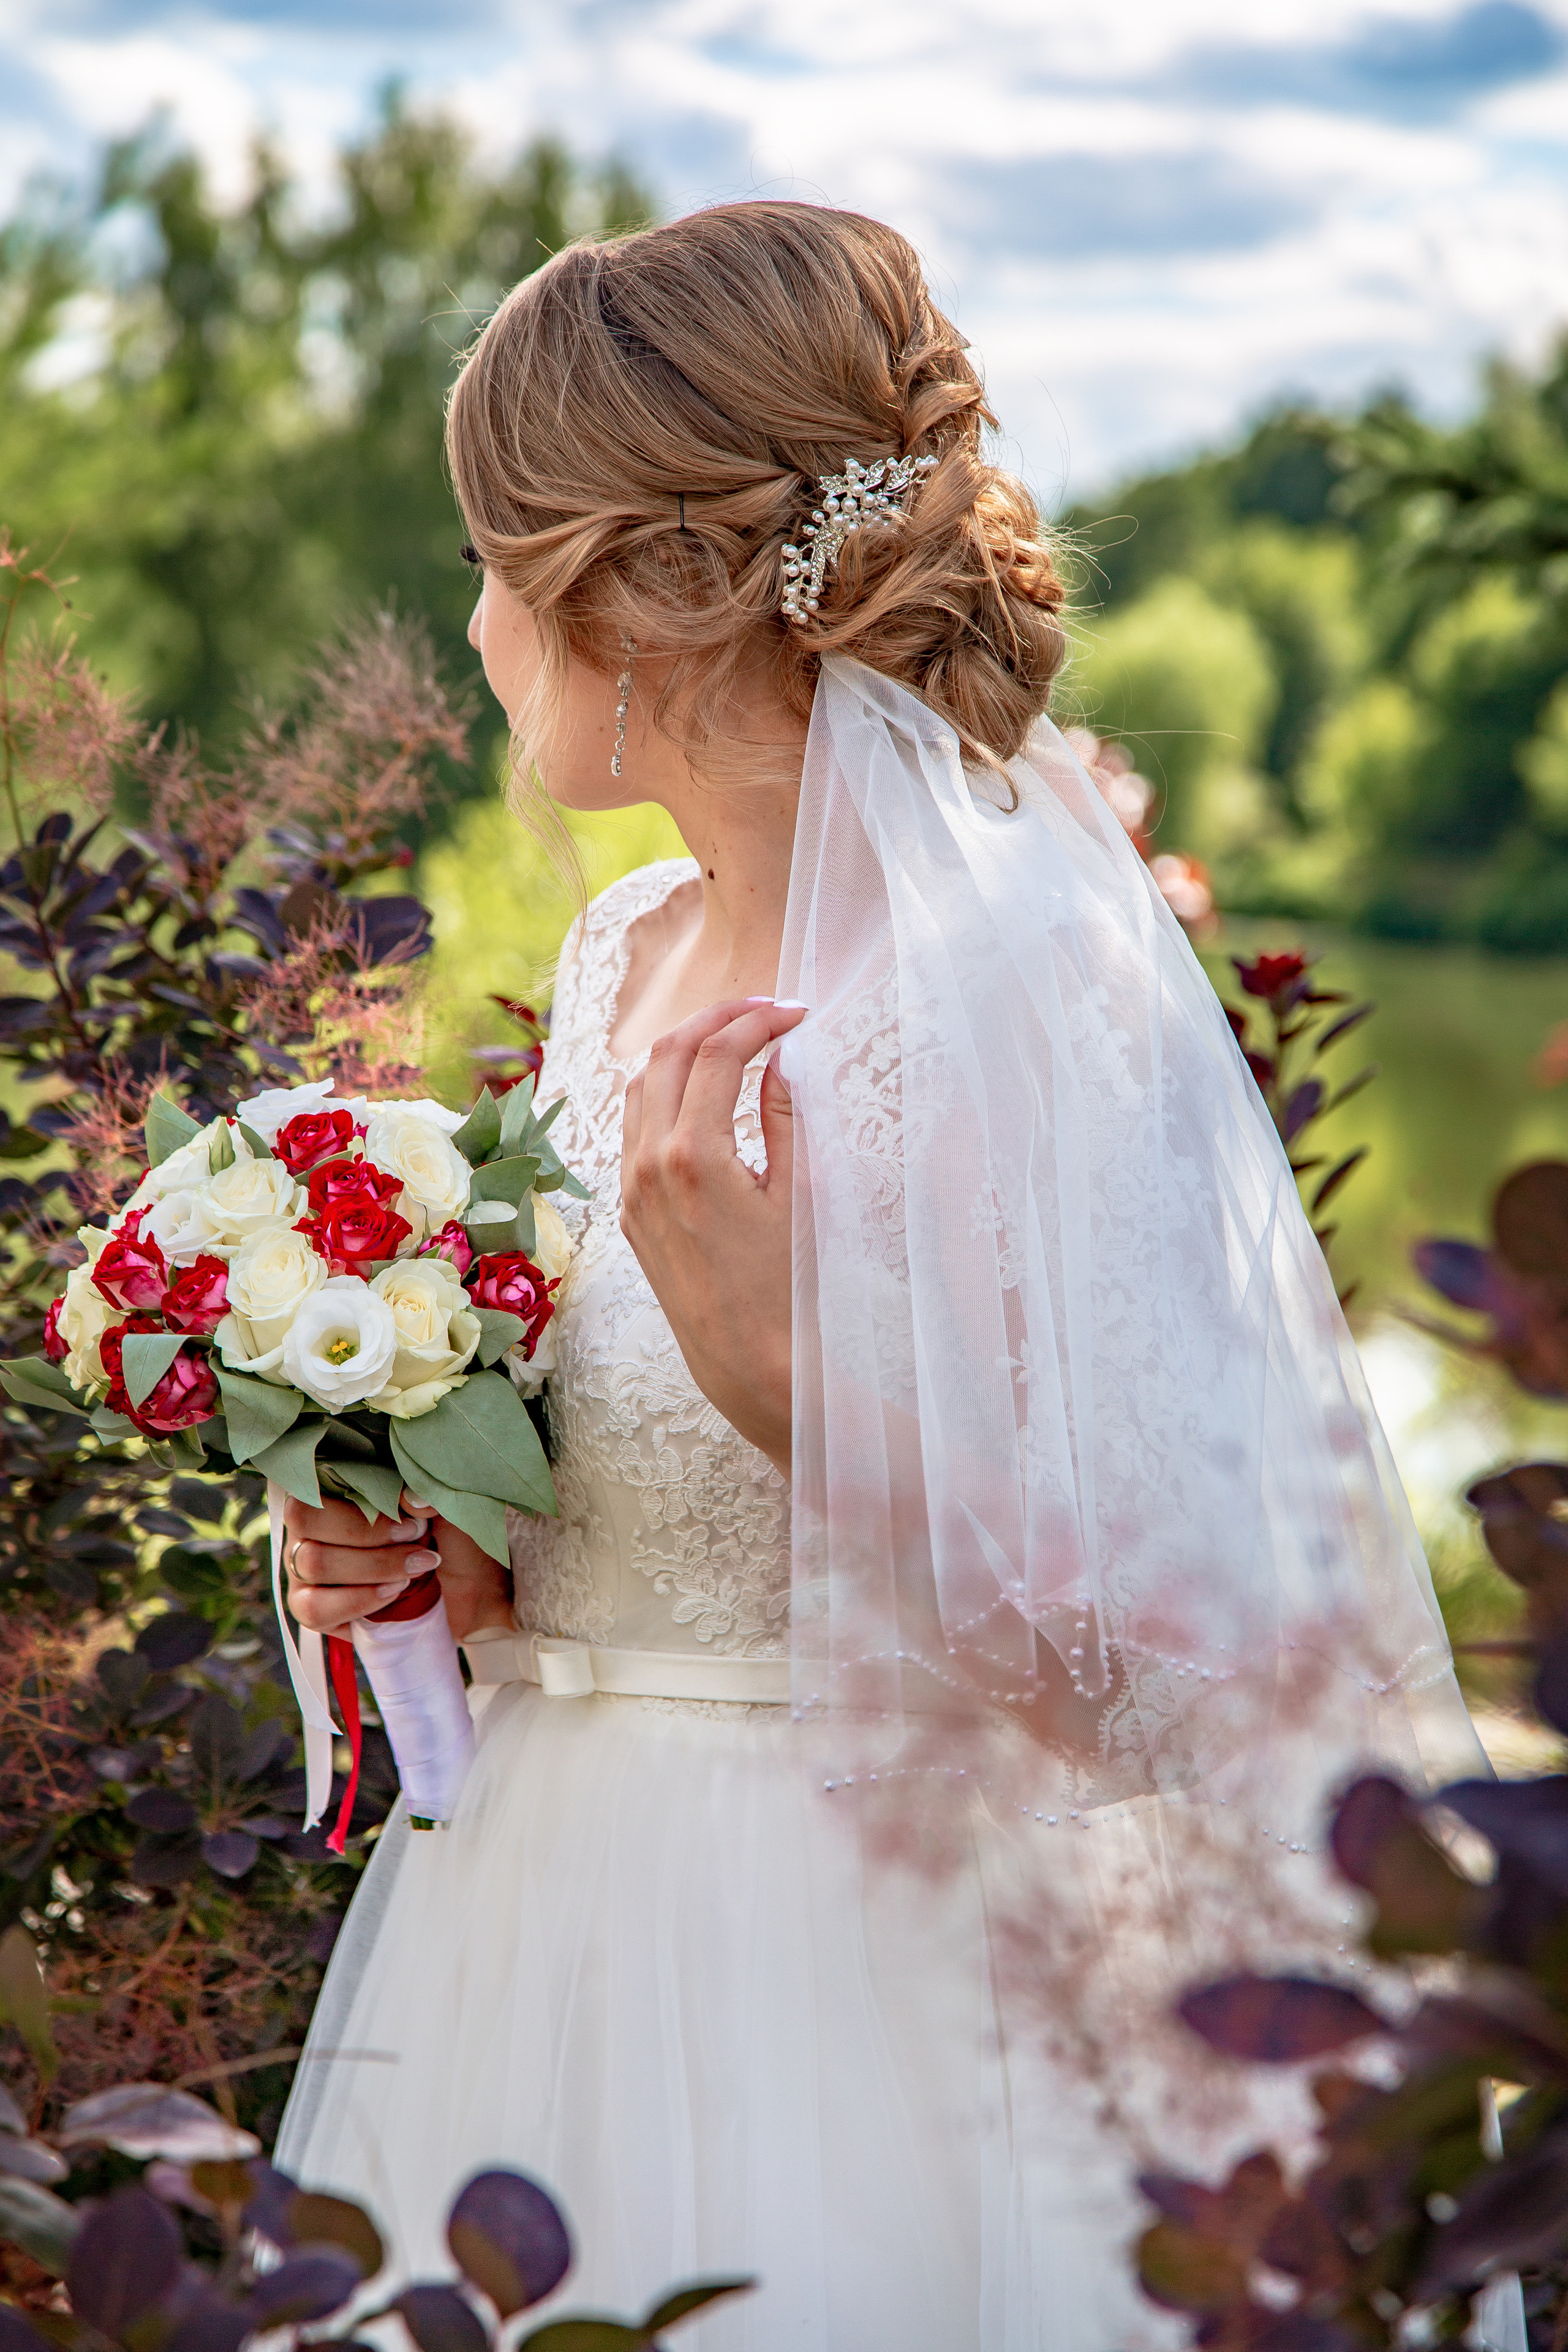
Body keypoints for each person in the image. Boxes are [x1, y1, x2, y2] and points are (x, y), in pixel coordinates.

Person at [272, 203, 1484, 2349]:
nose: (467, 624)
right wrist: (454, 1548)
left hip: (867, 1972)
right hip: (542, 1912)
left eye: (489, 557)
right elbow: (636, 1512)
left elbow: (1167, 1695)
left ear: (641, 589)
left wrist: (790, 1382)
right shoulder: (616, 957)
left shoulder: (1016, 983)